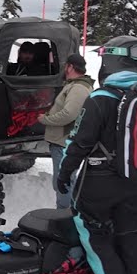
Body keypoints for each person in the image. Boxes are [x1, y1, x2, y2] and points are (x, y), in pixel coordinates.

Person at [57, 35, 137, 274]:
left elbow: (78, 142)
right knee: (130, 238)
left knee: (95, 238)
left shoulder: (100, 98)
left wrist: (64, 172)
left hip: (99, 185)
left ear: (111, 62)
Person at [37, 54, 94, 209]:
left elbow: (69, 114)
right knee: (66, 179)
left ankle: (64, 215)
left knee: (63, 181)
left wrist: (46, 119)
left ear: (70, 67)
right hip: (63, 141)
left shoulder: (78, 88)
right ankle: (70, 212)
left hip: (64, 142)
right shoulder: (75, 85)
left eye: (65, 66)